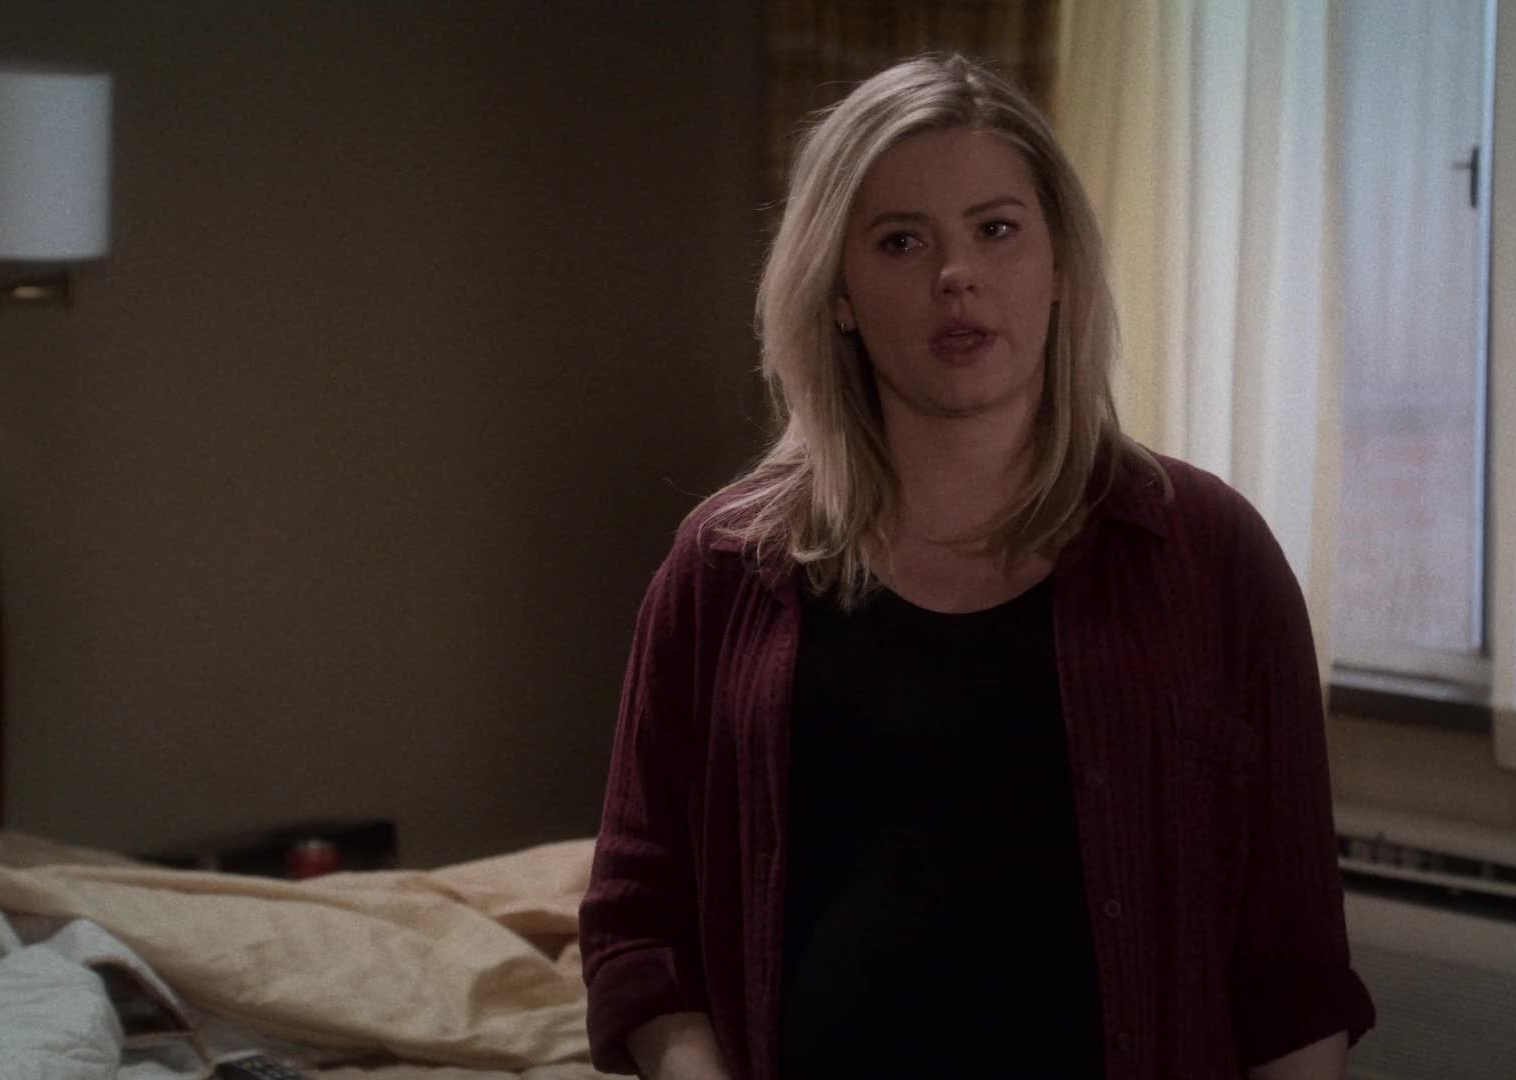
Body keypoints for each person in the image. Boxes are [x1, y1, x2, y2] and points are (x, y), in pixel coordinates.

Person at [579, 53, 1375, 1080]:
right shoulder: (725, 569)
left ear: (1060, 268)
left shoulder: (1211, 555)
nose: (955, 275)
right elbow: (639, 921)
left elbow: (1293, 965)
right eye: (901, 241)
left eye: (996, 230)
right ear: (839, 295)